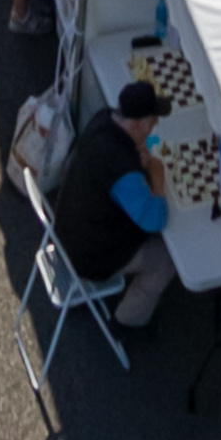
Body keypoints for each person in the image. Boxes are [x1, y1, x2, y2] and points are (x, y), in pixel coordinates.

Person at [43, 76, 181, 335]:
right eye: (153, 121)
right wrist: (158, 181)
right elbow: (156, 218)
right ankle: (129, 321)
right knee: (167, 258)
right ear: (139, 125)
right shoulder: (122, 172)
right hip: (87, 256)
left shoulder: (102, 119)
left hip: (64, 229)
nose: (155, 126)